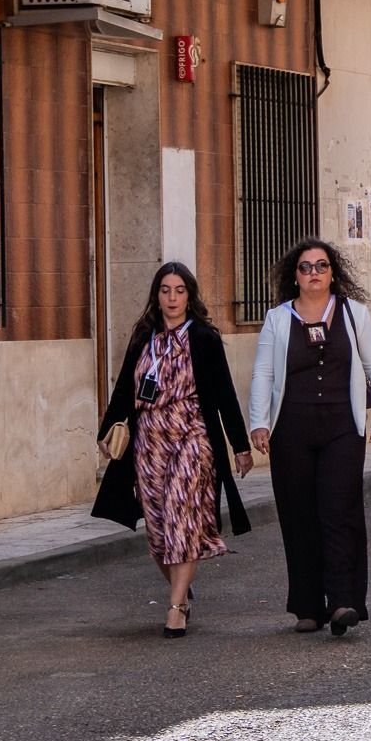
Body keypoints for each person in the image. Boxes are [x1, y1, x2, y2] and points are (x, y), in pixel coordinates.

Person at [94, 263, 253, 638]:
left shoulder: (203, 337)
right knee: (159, 530)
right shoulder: (144, 336)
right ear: (157, 295)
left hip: (192, 434)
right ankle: (182, 585)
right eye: (165, 290)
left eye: (179, 290)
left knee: (182, 514)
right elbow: (123, 389)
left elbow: (225, 394)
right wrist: (107, 431)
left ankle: (177, 606)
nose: (172, 298)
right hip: (149, 439)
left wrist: (239, 445)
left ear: (190, 296)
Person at [248, 239, 371, 636]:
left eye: (321, 266)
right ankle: (307, 606)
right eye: (305, 267)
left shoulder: (353, 313)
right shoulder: (278, 319)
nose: (314, 273)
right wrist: (258, 422)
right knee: (298, 515)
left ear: (333, 273)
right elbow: (263, 373)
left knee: (339, 509)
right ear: (293, 276)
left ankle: (344, 600)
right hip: (290, 429)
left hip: (341, 428)